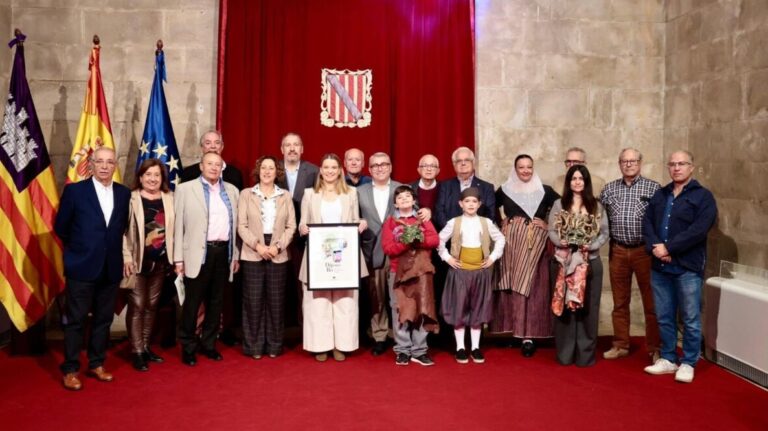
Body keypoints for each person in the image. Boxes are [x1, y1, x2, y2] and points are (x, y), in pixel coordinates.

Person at [55, 147, 131, 390]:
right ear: (91, 164)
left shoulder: (124, 193)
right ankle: (71, 369)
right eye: (100, 162)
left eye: (110, 162)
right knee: (76, 320)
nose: (105, 166)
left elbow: (122, 228)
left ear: (115, 165)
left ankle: (97, 363)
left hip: (110, 268)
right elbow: (61, 227)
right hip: (82, 266)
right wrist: (81, 249)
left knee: (103, 319)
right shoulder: (75, 191)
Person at [642, 150, 717, 383]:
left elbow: (698, 230)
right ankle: (668, 358)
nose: (676, 168)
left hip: (686, 267)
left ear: (691, 167)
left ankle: (689, 362)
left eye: (681, 164)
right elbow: (647, 222)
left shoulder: (703, 197)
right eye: (672, 164)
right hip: (660, 267)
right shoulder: (661, 194)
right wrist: (656, 247)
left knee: (690, 317)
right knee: (664, 316)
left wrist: (669, 248)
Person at [297, 154, 369, 362]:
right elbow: (303, 223)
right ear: (321, 170)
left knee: (345, 302)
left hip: (344, 257)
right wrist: (304, 229)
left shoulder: (351, 193)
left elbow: (356, 220)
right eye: (326, 167)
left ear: (340, 170)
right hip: (317, 257)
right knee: (318, 303)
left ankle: (342, 345)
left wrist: (361, 223)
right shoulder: (310, 194)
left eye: (334, 167)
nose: (329, 171)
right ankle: (321, 345)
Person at [174, 151, 240, 366]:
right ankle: (188, 346)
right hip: (197, 253)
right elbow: (177, 227)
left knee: (216, 302)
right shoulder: (185, 189)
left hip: (223, 253)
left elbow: (235, 226)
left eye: (218, 164)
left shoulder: (231, 191)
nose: (214, 167)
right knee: (192, 303)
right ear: (201, 166)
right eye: (209, 164)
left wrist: (235, 256)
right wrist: (178, 259)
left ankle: (209, 344)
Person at [490, 154, 559, 357]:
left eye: (529, 167)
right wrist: (500, 221)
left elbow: (563, 208)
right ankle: (512, 331)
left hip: (535, 243)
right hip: (511, 242)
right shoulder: (506, 189)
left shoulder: (544, 190)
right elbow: (487, 204)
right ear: (515, 168)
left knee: (532, 286)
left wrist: (548, 225)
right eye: (521, 167)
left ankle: (528, 335)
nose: (526, 170)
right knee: (511, 284)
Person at [599, 148, 660, 363]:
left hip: (644, 251)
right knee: (620, 301)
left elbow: (660, 221)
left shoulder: (653, 188)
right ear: (619, 164)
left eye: (633, 161)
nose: (629, 164)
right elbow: (600, 220)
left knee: (651, 303)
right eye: (624, 161)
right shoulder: (609, 189)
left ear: (640, 163)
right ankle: (620, 344)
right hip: (618, 250)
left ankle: (655, 348)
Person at [547, 165, 609, 367]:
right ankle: (565, 353)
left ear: (586, 181)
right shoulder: (559, 204)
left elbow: (605, 233)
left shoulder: (596, 206)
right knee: (564, 309)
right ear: (568, 181)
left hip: (589, 262)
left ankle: (585, 355)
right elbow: (551, 231)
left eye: (581, 178)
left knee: (588, 309)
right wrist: (560, 242)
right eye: (573, 178)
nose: (577, 182)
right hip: (563, 263)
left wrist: (591, 245)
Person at [237, 156, 296, 359]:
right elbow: (241, 226)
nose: (267, 171)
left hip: (277, 251)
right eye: (264, 167)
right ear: (258, 170)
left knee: (276, 301)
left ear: (277, 172)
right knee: (253, 301)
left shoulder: (285, 196)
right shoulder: (246, 194)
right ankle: (253, 346)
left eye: (271, 168)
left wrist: (277, 247)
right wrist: (258, 246)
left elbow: (291, 226)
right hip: (253, 250)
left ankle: (274, 345)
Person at [438, 187, 505, 364]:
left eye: (474, 202)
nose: (470, 204)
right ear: (460, 204)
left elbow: (500, 239)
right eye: (467, 201)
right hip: (459, 272)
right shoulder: (454, 222)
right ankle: (460, 347)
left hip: (480, 272)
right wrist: (447, 258)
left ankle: (475, 347)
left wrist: (492, 257)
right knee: (459, 307)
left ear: (479, 204)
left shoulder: (486, 222)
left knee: (478, 308)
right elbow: (439, 240)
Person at [122, 158, 175, 371]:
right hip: (136, 263)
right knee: (137, 306)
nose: (152, 179)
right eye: (148, 175)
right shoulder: (131, 198)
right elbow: (122, 232)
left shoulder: (170, 198)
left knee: (152, 306)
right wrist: (126, 257)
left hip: (161, 263)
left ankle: (145, 346)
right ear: (141, 177)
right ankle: (136, 351)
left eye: (157, 175)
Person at [381, 185, 440, 366]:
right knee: (399, 308)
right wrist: (405, 243)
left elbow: (434, 240)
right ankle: (403, 349)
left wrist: (418, 239)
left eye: (408, 196)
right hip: (398, 271)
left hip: (421, 271)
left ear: (414, 201)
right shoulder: (390, 222)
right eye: (400, 198)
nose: (404, 200)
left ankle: (419, 350)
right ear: (395, 204)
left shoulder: (422, 220)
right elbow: (388, 248)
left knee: (422, 307)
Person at [357, 152, 401, 356]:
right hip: (371, 250)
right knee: (377, 297)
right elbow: (352, 215)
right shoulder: (359, 191)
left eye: (384, 164)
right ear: (370, 169)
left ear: (390, 167)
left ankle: (400, 337)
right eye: (375, 165)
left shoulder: (402, 188)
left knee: (398, 297)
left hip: (397, 252)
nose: (380, 168)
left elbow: (414, 214)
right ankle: (380, 335)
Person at [434, 147, 496, 231]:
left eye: (467, 160)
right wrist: (453, 231)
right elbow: (439, 212)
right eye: (459, 161)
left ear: (473, 163)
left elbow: (490, 215)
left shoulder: (487, 188)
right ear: (454, 164)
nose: (463, 163)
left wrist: (472, 233)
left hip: (477, 238)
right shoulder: (444, 186)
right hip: (450, 237)